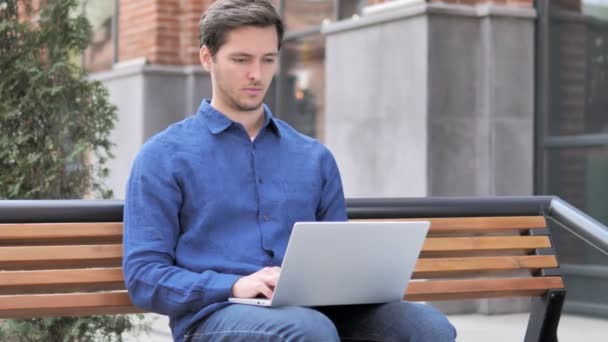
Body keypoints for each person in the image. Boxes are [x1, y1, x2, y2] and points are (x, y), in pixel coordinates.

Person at [123, 0, 456, 341]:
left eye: (268, 59)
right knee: (309, 331)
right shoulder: (163, 157)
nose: (257, 74)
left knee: (427, 327)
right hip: (216, 315)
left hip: (317, 315)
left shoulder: (313, 157)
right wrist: (236, 284)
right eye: (241, 60)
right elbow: (144, 276)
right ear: (207, 58)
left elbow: (337, 258)